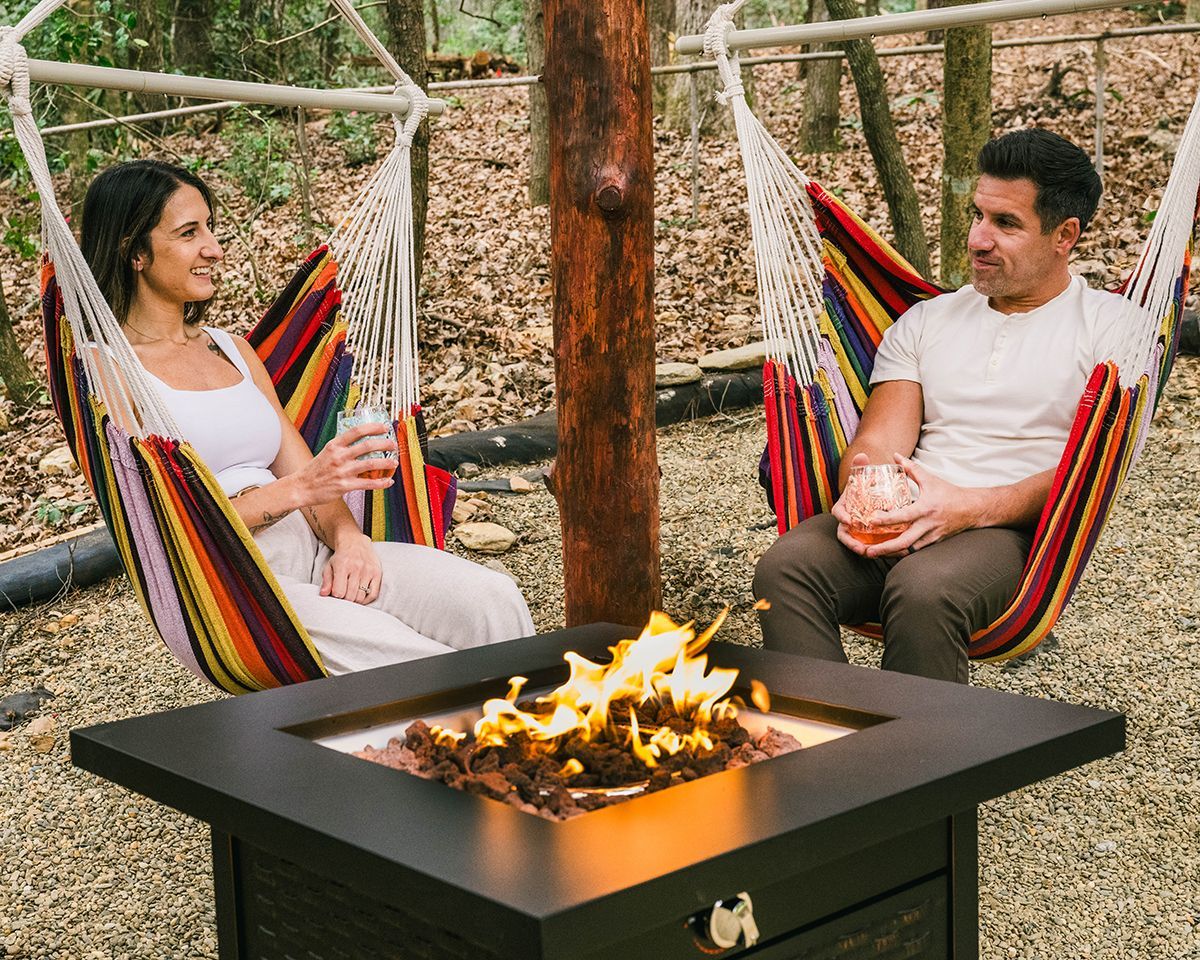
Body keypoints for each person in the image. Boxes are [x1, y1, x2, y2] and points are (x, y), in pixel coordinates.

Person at [80, 159, 535, 675]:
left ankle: (533, 748)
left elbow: (300, 469)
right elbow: (169, 521)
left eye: (211, 227)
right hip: (234, 591)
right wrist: (303, 488)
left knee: (493, 601)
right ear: (133, 250)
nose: (214, 248)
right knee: (416, 667)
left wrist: (349, 539)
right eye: (189, 233)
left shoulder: (230, 349)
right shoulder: (108, 371)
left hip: (314, 549)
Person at [753, 129, 1127, 684]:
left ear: (1064, 235)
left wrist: (968, 507)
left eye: (1006, 224)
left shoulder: (1114, 331)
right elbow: (879, 441)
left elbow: (1097, 470)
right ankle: (828, 748)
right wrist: (869, 496)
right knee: (787, 567)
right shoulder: (927, 321)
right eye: (978, 215)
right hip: (908, 509)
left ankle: (920, 764)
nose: (978, 238)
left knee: (924, 588)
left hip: (1014, 529)